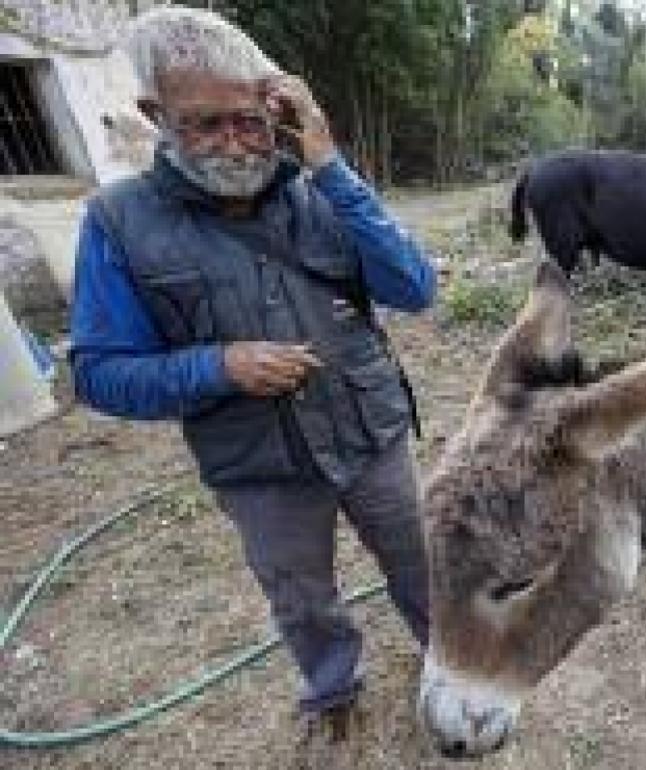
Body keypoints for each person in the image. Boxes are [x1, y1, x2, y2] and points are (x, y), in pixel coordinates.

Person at [68, 7, 436, 742]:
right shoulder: (118, 222)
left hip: (370, 434)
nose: (235, 142)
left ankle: (451, 663)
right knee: (301, 597)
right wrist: (218, 366)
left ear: (276, 110)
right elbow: (99, 373)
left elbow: (415, 287)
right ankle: (334, 691)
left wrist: (330, 165)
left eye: (249, 120)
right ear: (157, 116)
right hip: (258, 467)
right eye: (205, 124)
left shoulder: (320, 191)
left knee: (419, 563)